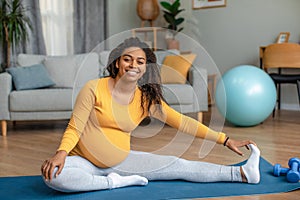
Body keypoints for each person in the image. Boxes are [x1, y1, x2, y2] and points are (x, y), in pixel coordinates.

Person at [41, 37, 260, 193]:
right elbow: (74, 126)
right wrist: (61, 153)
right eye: (127, 59)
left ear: (146, 68)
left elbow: (183, 123)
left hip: (122, 161)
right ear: (117, 62)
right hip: (82, 161)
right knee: (53, 177)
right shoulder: (93, 88)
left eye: (140, 61)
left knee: (178, 165)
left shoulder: (146, 100)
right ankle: (114, 183)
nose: (133, 65)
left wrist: (225, 139)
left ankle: (241, 174)